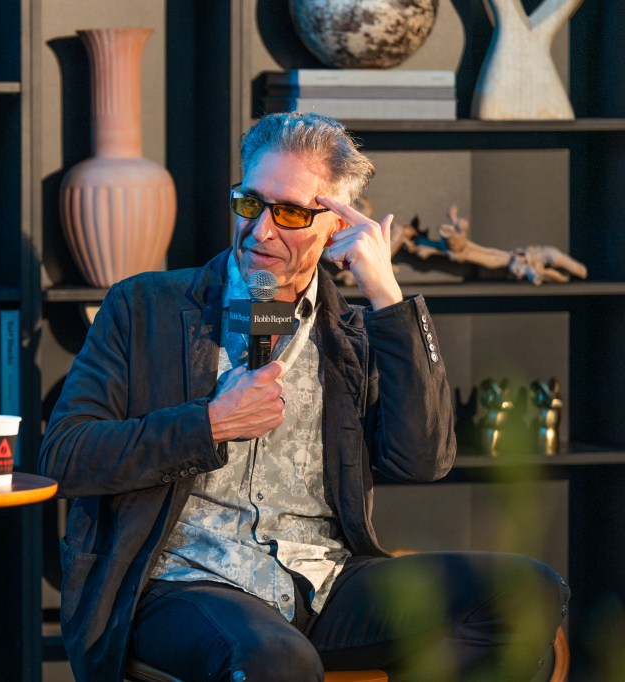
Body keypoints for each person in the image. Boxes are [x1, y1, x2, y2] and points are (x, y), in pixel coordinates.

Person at [39, 111, 570, 682]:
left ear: (336, 226)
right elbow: (65, 455)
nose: (261, 230)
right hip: (184, 581)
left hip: (323, 580)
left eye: (290, 212)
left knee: (528, 591)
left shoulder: (354, 333)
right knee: (275, 660)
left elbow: (422, 458)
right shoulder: (146, 307)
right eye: (250, 203)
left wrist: (386, 295)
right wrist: (210, 423)